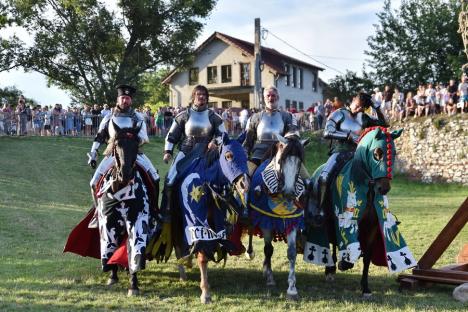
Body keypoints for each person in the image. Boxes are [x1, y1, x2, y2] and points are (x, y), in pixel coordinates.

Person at [86, 84, 159, 274]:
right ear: (117, 100)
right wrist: (93, 154)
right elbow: (100, 136)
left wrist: (130, 139)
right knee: (94, 182)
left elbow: (144, 138)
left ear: (131, 100)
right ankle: (98, 213)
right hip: (112, 154)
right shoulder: (109, 117)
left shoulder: (138, 118)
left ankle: (153, 211)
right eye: (122, 98)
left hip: (135, 153)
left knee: (155, 177)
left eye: (128, 98)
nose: (125, 100)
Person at [312, 92, 388, 222]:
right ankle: (319, 210)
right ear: (353, 100)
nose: (358, 109)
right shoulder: (339, 113)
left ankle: (380, 211)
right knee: (324, 178)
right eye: (357, 105)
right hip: (340, 152)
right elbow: (327, 131)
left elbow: (383, 125)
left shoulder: (363, 118)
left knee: (378, 176)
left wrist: (375, 107)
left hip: (358, 155)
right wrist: (347, 136)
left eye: (362, 108)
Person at [161, 84, 226, 212]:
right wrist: (168, 151)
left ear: (207, 98)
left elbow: (223, 135)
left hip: (208, 153)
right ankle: (167, 209)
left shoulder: (214, 117)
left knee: (224, 178)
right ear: (193, 97)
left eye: (204, 95)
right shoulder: (183, 115)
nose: (201, 97)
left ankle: (224, 209)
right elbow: (172, 135)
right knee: (170, 177)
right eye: (198, 94)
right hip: (186, 151)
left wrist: (215, 141)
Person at [243, 85, 298, 174]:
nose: (270, 98)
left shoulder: (288, 116)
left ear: (278, 97)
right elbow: (248, 142)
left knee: (305, 180)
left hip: (281, 156)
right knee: (245, 177)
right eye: (268, 96)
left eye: (273, 95)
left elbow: (293, 137)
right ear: (264, 98)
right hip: (258, 156)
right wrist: (244, 154)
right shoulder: (255, 118)